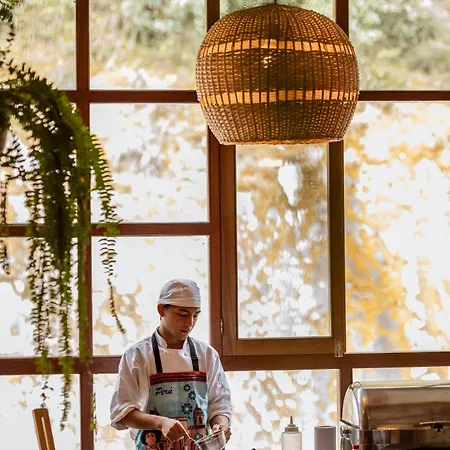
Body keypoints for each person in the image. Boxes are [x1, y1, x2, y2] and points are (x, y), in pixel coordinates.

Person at [110, 279, 232, 450]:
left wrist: (221, 425)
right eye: (182, 314)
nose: (190, 323)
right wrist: (160, 423)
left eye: (195, 315)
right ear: (161, 310)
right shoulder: (137, 356)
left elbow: (219, 405)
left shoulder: (207, 355)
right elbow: (121, 411)